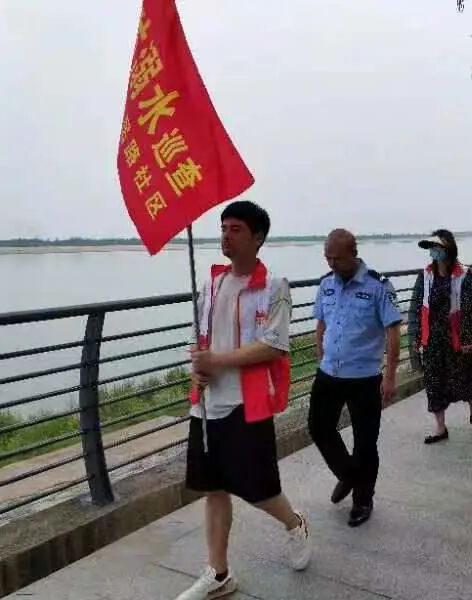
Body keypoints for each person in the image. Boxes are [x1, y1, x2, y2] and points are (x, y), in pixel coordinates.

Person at [177, 201, 311, 600]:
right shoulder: (211, 284)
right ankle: (219, 573)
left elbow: (273, 344)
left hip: (246, 403)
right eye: (223, 228)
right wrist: (197, 367)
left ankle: (295, 523)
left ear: (257, 238)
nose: (226, 236)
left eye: (235, 229)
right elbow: (198, 338)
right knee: (214, 488)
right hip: (206, 405)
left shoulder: (274, 287)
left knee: (259, 488)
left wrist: (216, 361)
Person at [308, 229, 402, 527]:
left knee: (365, 442)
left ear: (353, 254)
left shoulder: (378, 286)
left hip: (364, 377)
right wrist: (320, 358)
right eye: (327, 258)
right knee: (318, 427)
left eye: (336, 258)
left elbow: (393, 330)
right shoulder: (326, 284)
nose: (331, 263)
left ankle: (363, 500)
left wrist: (390, 375)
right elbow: (321, 324)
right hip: (329, 373)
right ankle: (348, 475)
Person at [409, 230, 472, 444]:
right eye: (432, 248)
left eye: (438, 247)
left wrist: (467, 338)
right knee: (433, 382)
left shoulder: (463, 274)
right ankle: (440, 427)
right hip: (432, 338)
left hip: (455, 336)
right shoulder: (425, 275)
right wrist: (416, 335)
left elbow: (469, 308)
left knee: (463, 376)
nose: (434, 251)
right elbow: (417, 306)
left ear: (449, 249)